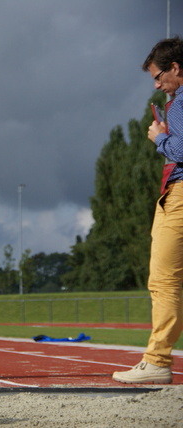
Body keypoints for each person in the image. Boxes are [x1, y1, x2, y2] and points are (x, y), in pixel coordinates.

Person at [113, 37, 183, 385]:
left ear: (176, 68)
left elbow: (182, 150)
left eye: (159, 76)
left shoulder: (179, 103)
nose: (157, 85)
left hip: (181, 195)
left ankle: (156, 361)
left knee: (164, 280)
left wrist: (159, 137)